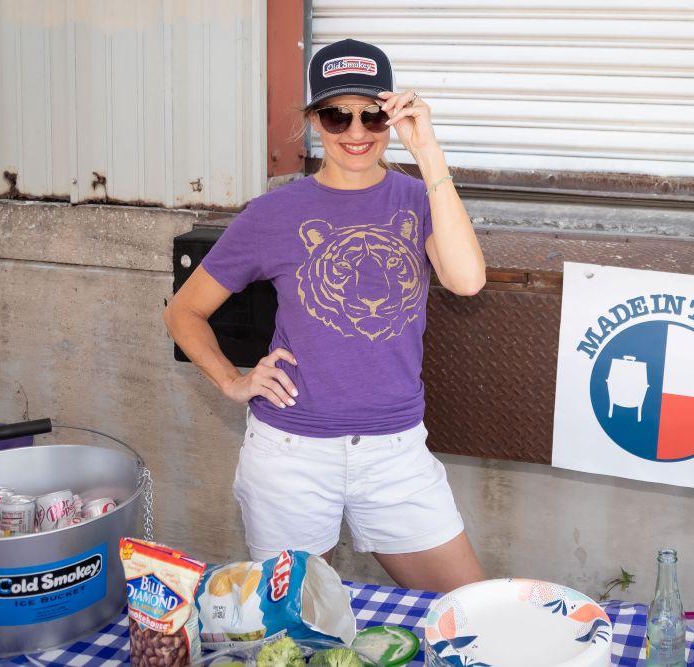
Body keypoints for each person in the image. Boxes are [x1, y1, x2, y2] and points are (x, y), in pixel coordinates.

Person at [164, 38, 486, 593]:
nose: (357, 132)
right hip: (291, 455)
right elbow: (184, 311)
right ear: (314, 120)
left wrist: (428, 151)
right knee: (297, 634)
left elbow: (467, 280)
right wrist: (233, 380)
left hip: (396, 454)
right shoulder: (274, 214)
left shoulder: (417, 200)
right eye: (338, 115)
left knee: (469, 611)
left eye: (372, 115)